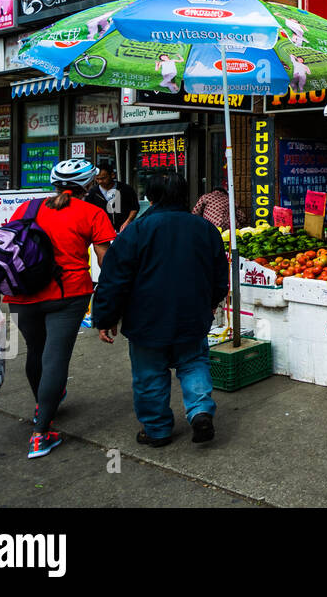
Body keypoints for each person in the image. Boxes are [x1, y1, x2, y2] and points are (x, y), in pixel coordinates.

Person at [0, 159, 115, 459]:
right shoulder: (92, 212)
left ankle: (43, 403)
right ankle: (41, 433)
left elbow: (3, 251)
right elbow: (107, 260)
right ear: (89, 185)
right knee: (55, 358)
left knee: (36, 352)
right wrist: (112, 296)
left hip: (23, 294)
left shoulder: (26, 208)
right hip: (69, 294)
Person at [92, 172, 229, 448]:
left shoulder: (137, 231)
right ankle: (200, 411)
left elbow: (114, 278)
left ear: (150, 197)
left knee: (149, 373)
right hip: (192, 314)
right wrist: (212, 303)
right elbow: (219, 275)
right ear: (185, 195)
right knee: (193, 363)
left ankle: (156, 429)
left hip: (146, 319)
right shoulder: (205, 229)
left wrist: (105, 317)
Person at [86, 162, 139, 234]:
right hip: (102, 231)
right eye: (97, 179)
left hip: (124, 230)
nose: (100, 181)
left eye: (103, 178)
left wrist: (128, 221)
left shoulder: (125, 189)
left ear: (112, 175)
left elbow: (134, 208)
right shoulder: (92, 193)